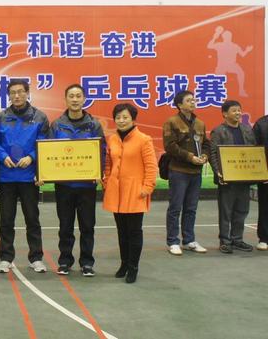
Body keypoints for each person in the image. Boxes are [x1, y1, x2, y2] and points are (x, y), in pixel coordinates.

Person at [0, 79, 49, 273]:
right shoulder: (0, 118)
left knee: (32, 219)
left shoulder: (40, 117)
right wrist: (3, 156)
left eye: (20, 92)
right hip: (7, 177)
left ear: (27, 93)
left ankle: (36, 258)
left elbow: (44, 142)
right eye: (13, 93)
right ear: (8, 95)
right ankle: (6, 258)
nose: (16, 96)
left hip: (29, 177)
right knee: (6, 220)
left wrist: (31, 157)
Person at [50, 84, 105, 277]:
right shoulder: (57, 125)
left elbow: (101, 150)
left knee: (87, 226)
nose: (75, 99)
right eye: (71, 96)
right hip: (64, 185)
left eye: (78, 96)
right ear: (65, 99)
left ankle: (87, 262)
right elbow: (48, 151)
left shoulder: (94, 125)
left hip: (87, 185)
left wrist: (98, 171)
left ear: (84, 99)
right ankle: (65, 261)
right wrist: (44, 174)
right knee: (65, 226)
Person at [103, 103, 157, 283]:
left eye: (125, 117)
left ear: (133, 119)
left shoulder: (144, 139)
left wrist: (147, 187)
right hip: (115, 192)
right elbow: (108, 164)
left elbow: (151, 166)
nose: (121, 120)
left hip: (135, 192)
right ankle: (124, 264)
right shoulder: (112, 139)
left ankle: (133, 267)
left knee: (134, 231)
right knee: (121, 231)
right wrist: (106, 181)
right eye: (118, 117)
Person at [163, 90, 211, 255]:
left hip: (195, 172)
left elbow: (206, 144)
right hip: (178, 171)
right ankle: (173, 241)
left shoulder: (200, 123)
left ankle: (189, 240)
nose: (193, 102)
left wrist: (204, 156)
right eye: (189, 100)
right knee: (175, 207)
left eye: (193, 100)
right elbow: (170, 146)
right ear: (179, 104)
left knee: (191, 208)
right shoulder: (171, 122)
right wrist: (190, 157)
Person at [209, 100, 256, 254]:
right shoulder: (218, 131)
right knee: (226, 211)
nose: (238, 113)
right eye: (234, 110)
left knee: (242, 210)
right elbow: (213, 153)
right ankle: (225, 241)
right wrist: (218, 172)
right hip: (227, 179)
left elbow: (255, 152)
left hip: (244, 177)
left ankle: (237, 239)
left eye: (239, 110)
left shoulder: (247, 129)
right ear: (225, 114)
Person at [252, 114, 268, 250]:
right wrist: (261, 172)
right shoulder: (261, 124)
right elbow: (254, 149)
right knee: (265, 205)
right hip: (265, 174)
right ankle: (264, 238)